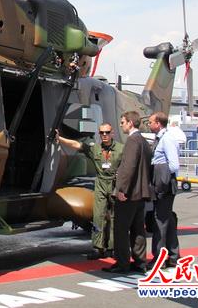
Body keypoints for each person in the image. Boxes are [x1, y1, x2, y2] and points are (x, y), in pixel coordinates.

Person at [56, 123, 124, 259]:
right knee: (98, 217)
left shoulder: (121, 149)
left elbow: (129, 165)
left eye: (107, 132)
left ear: (112, 133)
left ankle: (112, 247)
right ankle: (98, 248)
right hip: (101, 184)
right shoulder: (95, 148)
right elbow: (76, 145)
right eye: (102, 133)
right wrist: (60, 139)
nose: (104, 135)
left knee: (114, 218)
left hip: (115, 184)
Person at [103, 111, 152, 273]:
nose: (121, 125)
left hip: (129, 193)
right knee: (138, 229)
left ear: (130, 123)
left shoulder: (132, 141)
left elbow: (129, 167)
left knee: (121, 228)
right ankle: (140, 262)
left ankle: (122, 262)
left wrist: (122, 189)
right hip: (140, 193)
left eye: (123, 122)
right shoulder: (143, 141)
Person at [148, 111, 180, 267]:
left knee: (160, 220)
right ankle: (173, 256)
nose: (149, 125)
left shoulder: (167, 139)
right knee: (167, 220)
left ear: (158, 123)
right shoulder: (160, 138)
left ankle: (159, 258)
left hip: (164, 184)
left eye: (150, 122)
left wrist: (162, 179)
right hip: (162, 183)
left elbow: (174, 165)